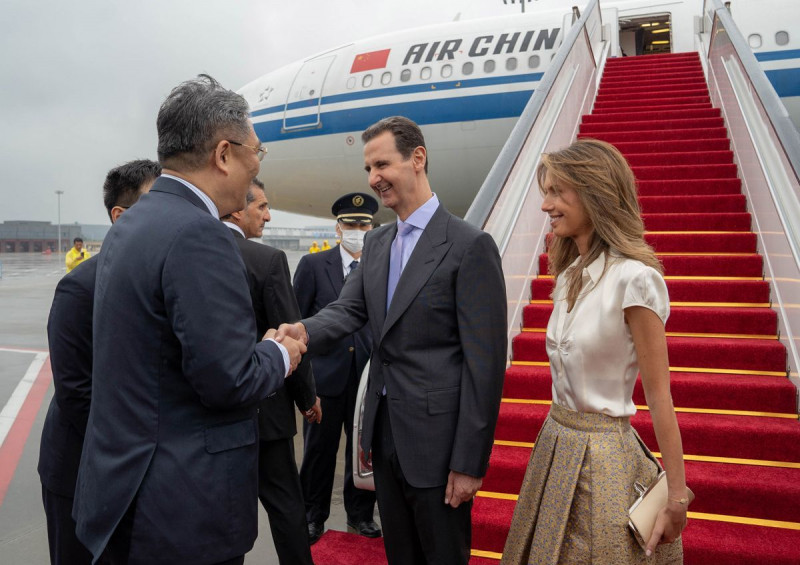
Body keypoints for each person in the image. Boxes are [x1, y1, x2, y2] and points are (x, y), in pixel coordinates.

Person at [72, 74, 306, 565]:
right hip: (181, 510)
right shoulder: (202, 236)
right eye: (256, 153)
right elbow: (228, 381)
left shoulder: (131, 223)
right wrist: (279, 352)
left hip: (124, 493)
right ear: (224, 154)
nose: (256, 169)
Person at [276, 116, 507, 564]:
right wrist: (303, 330)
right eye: (367, 168)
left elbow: (485, 366)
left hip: (439, 447)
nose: (372, 178)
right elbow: (348, 310)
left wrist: (469, 461)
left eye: (381, 164)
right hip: (384, 436)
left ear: (417, 158)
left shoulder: (468, 245)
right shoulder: (379, 242)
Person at [500, 139, 689, 564]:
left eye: (556, 192)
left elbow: (660, 395)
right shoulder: (567, 275)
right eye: (544, 192)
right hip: (553, 442)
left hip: (605, 457)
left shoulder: (635, 280)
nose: (545, 205)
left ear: (594, 192)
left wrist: (676, 497)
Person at [38, 159, 160, 565]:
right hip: (80, 471)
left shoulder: (162, 277)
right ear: (120, 217)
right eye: (154, 201)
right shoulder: (79, 288)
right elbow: (76, 393)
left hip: (137, 471)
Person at [220, 177, 319, 565]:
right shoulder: (267, 260)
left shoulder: (190, 254)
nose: (268, 214)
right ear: (238, 208)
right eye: (261, 206)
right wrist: (308, 399)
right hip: (267, 414)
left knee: (225, 514)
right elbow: (289, 335)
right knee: (286, 508)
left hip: (216, 415)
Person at [294, 192, 380, 544]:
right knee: (318, 453)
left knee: (363, 452)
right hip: (325, 380)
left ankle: (361, 516)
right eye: (351, 224)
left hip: (366, 380)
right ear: (338, 227)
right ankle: (312, 516)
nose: (357, 229)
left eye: (364, 224)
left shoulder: (380, 268)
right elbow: (299, 322)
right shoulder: (314, 266)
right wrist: (304, 386)